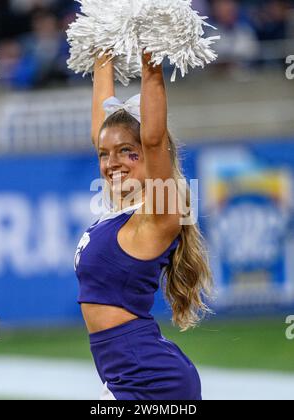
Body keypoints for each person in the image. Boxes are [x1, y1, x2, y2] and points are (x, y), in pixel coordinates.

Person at [74, 51, 213, 400]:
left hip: (152, 380)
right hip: (125, 377)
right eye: (105, 155)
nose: (111, 163)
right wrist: (102, 49)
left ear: (149, 157)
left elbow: (152, 138)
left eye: (126, 152)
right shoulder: (119, 204)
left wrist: (152, 59)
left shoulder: (162, 210)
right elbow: (101, 132)